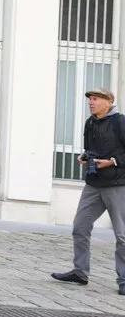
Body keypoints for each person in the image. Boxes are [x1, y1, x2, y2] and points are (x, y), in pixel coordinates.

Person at [52, 88, 125, 296]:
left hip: (118, 186)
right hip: (94, 184)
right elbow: (90, 148)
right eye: (90, 100)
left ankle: (124, 280)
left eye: (96, 99)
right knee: (80, 227)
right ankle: (80, 272)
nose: (91, 103)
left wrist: (112, 162)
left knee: (122, 236)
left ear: (109, 102)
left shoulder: (120, 122)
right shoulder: (90, 122)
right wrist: (85, 157)